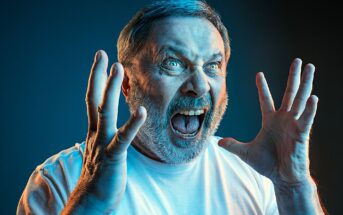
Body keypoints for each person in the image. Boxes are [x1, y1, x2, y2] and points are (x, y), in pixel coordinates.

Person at [17, 1, 325, 214]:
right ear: (127, 84)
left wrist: (294, 185)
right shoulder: (60, 180)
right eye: (174, 63)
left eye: (213, 65)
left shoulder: (259, 176)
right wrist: (91, 203)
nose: (200, 85)